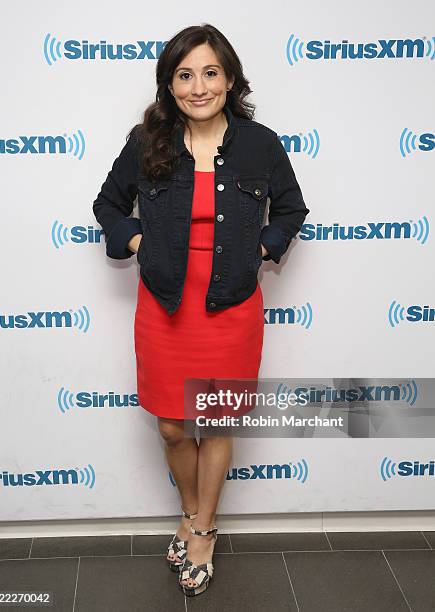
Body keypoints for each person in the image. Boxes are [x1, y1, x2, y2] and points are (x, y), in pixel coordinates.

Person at [93, 23, 309, 597]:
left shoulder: (260, 144)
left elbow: (290, 210)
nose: (198, 86)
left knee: (214, 422)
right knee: (171, 423)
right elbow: (108, 204)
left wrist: (260, 250)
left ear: (230, 78)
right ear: (169, 84)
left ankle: (205, 530)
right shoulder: (147, 142)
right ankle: (189, 513)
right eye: (184, 75)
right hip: (165, 305)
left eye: (210, 72)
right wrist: (141, 243)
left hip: (232, 306)